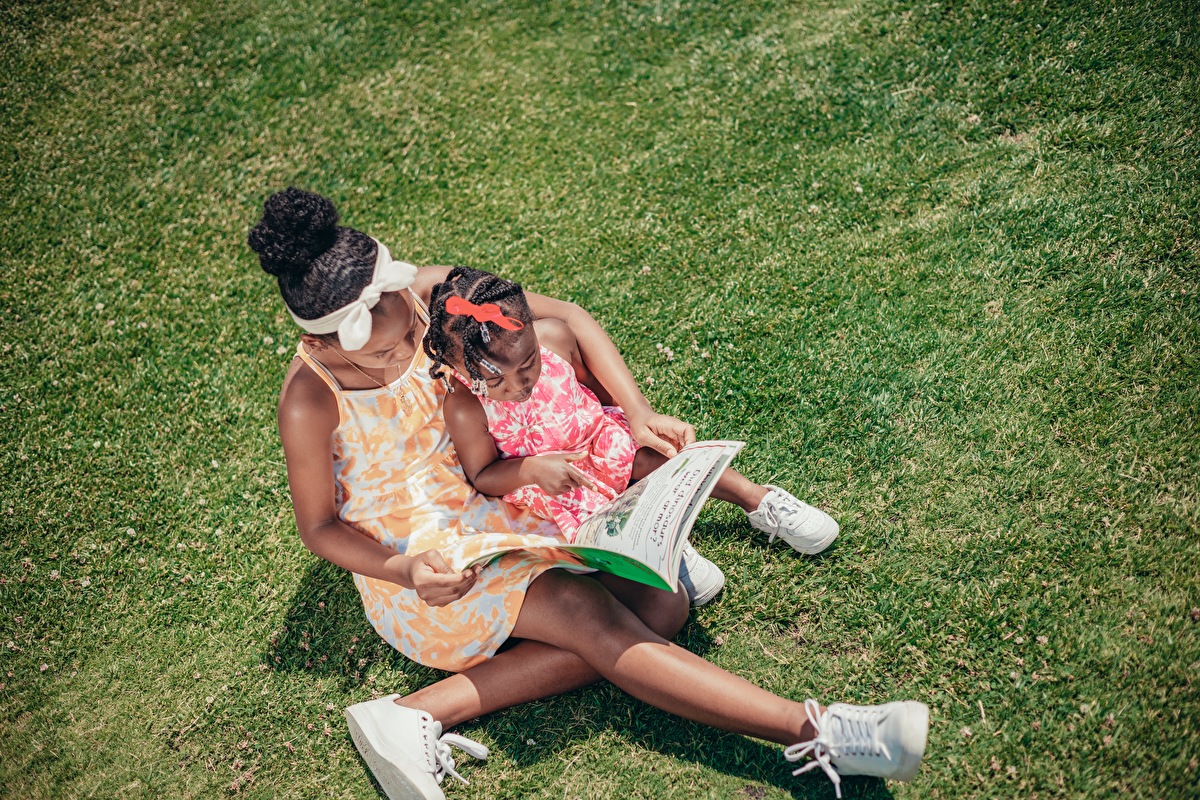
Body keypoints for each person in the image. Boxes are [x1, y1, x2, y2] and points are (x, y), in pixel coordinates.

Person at [248, 187, 929, 800]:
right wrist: (404, 569)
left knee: (664, 607)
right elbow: (320, 528)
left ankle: (419, 711)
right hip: (422, 559)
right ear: (324, 337)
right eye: (379, 352)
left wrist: (634, 414)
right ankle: (821, 732)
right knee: (588, 617)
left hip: (504, 502)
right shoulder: (310, 398)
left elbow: (565, 317)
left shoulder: (434, 296)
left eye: (407, 329)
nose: (403, 351)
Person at [421, 266, 840, 568]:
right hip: (555, 483)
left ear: (533, 330)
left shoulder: (554, 339)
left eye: (528, 364)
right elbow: (484, 475)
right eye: (498, 381)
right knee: (601, 525)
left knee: (654, 454)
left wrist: (637, 416)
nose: (520, 385)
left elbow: (596, 392)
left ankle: (758, 499)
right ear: (458, 369)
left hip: (598, 439)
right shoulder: (464, 406)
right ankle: (664, 549)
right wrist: (531, 470)